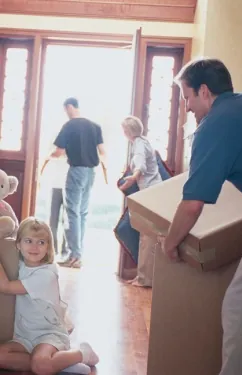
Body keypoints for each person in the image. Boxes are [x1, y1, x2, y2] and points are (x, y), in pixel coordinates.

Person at [158, 58, 242, 375]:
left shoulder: (215, 125)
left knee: (240, 307)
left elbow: (193, 204)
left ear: (205, 91)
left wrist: (170, 245)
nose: (187, 108)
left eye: (187, 97)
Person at [0, 217, 99, 375]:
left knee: (41, 367)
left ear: (48, 247)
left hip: (48, 335)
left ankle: (82, 353)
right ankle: (60, 363)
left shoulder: (46, 275)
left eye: (41, 242)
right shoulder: (22, 263)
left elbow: (5, 286)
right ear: (18, 245)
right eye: (28, 241)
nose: (34, 247)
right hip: (24, 336)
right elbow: (8, 228)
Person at [46, 97, 106, 268]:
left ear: (70, 107)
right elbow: (102, 152)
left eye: (66, 110)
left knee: (71, 212)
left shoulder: (70, 126)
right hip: (90, 173)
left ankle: (74, 255)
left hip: (76, 170)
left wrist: (47, 156)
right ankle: (78, 254)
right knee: (82, 212)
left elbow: (59, 151)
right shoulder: (95, 126)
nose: (66, 113)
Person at [120, 115, 162, 287]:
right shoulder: (143, 142)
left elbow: (141, 166)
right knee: (146, 235)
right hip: (153, 192)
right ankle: (143, 276)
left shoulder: (138, 144)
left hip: (151, 193)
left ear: (128, 131)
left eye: (124, 130)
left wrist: (133, 178)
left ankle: (145, 278)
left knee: (148, 236)